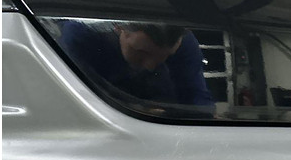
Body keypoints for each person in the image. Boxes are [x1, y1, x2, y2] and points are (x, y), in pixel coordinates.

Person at [59, 20, 215, 114]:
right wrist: (138, 109)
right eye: (142, 52)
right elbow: (76, 100)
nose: (150, 65)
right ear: (119, 28)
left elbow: (196, 97)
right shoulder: (81, 36)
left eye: (165, 56)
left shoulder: (184, 44)